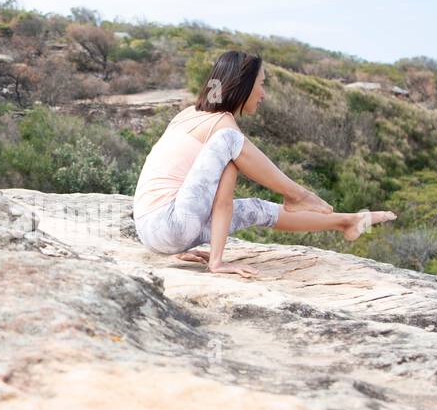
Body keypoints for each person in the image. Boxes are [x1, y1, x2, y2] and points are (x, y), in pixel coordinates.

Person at [132, 50, 395, 278]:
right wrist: (217, 263)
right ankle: (297, 194)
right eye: (261, 84)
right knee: (229, 141)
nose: (263, 94)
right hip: (168, 224)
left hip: (154, 232)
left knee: (256, 208)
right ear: (243, 85)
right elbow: (221, 203)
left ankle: (346, 222)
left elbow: (201, 193)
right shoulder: (221, 126)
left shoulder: (188, 115)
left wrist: (184, 249)